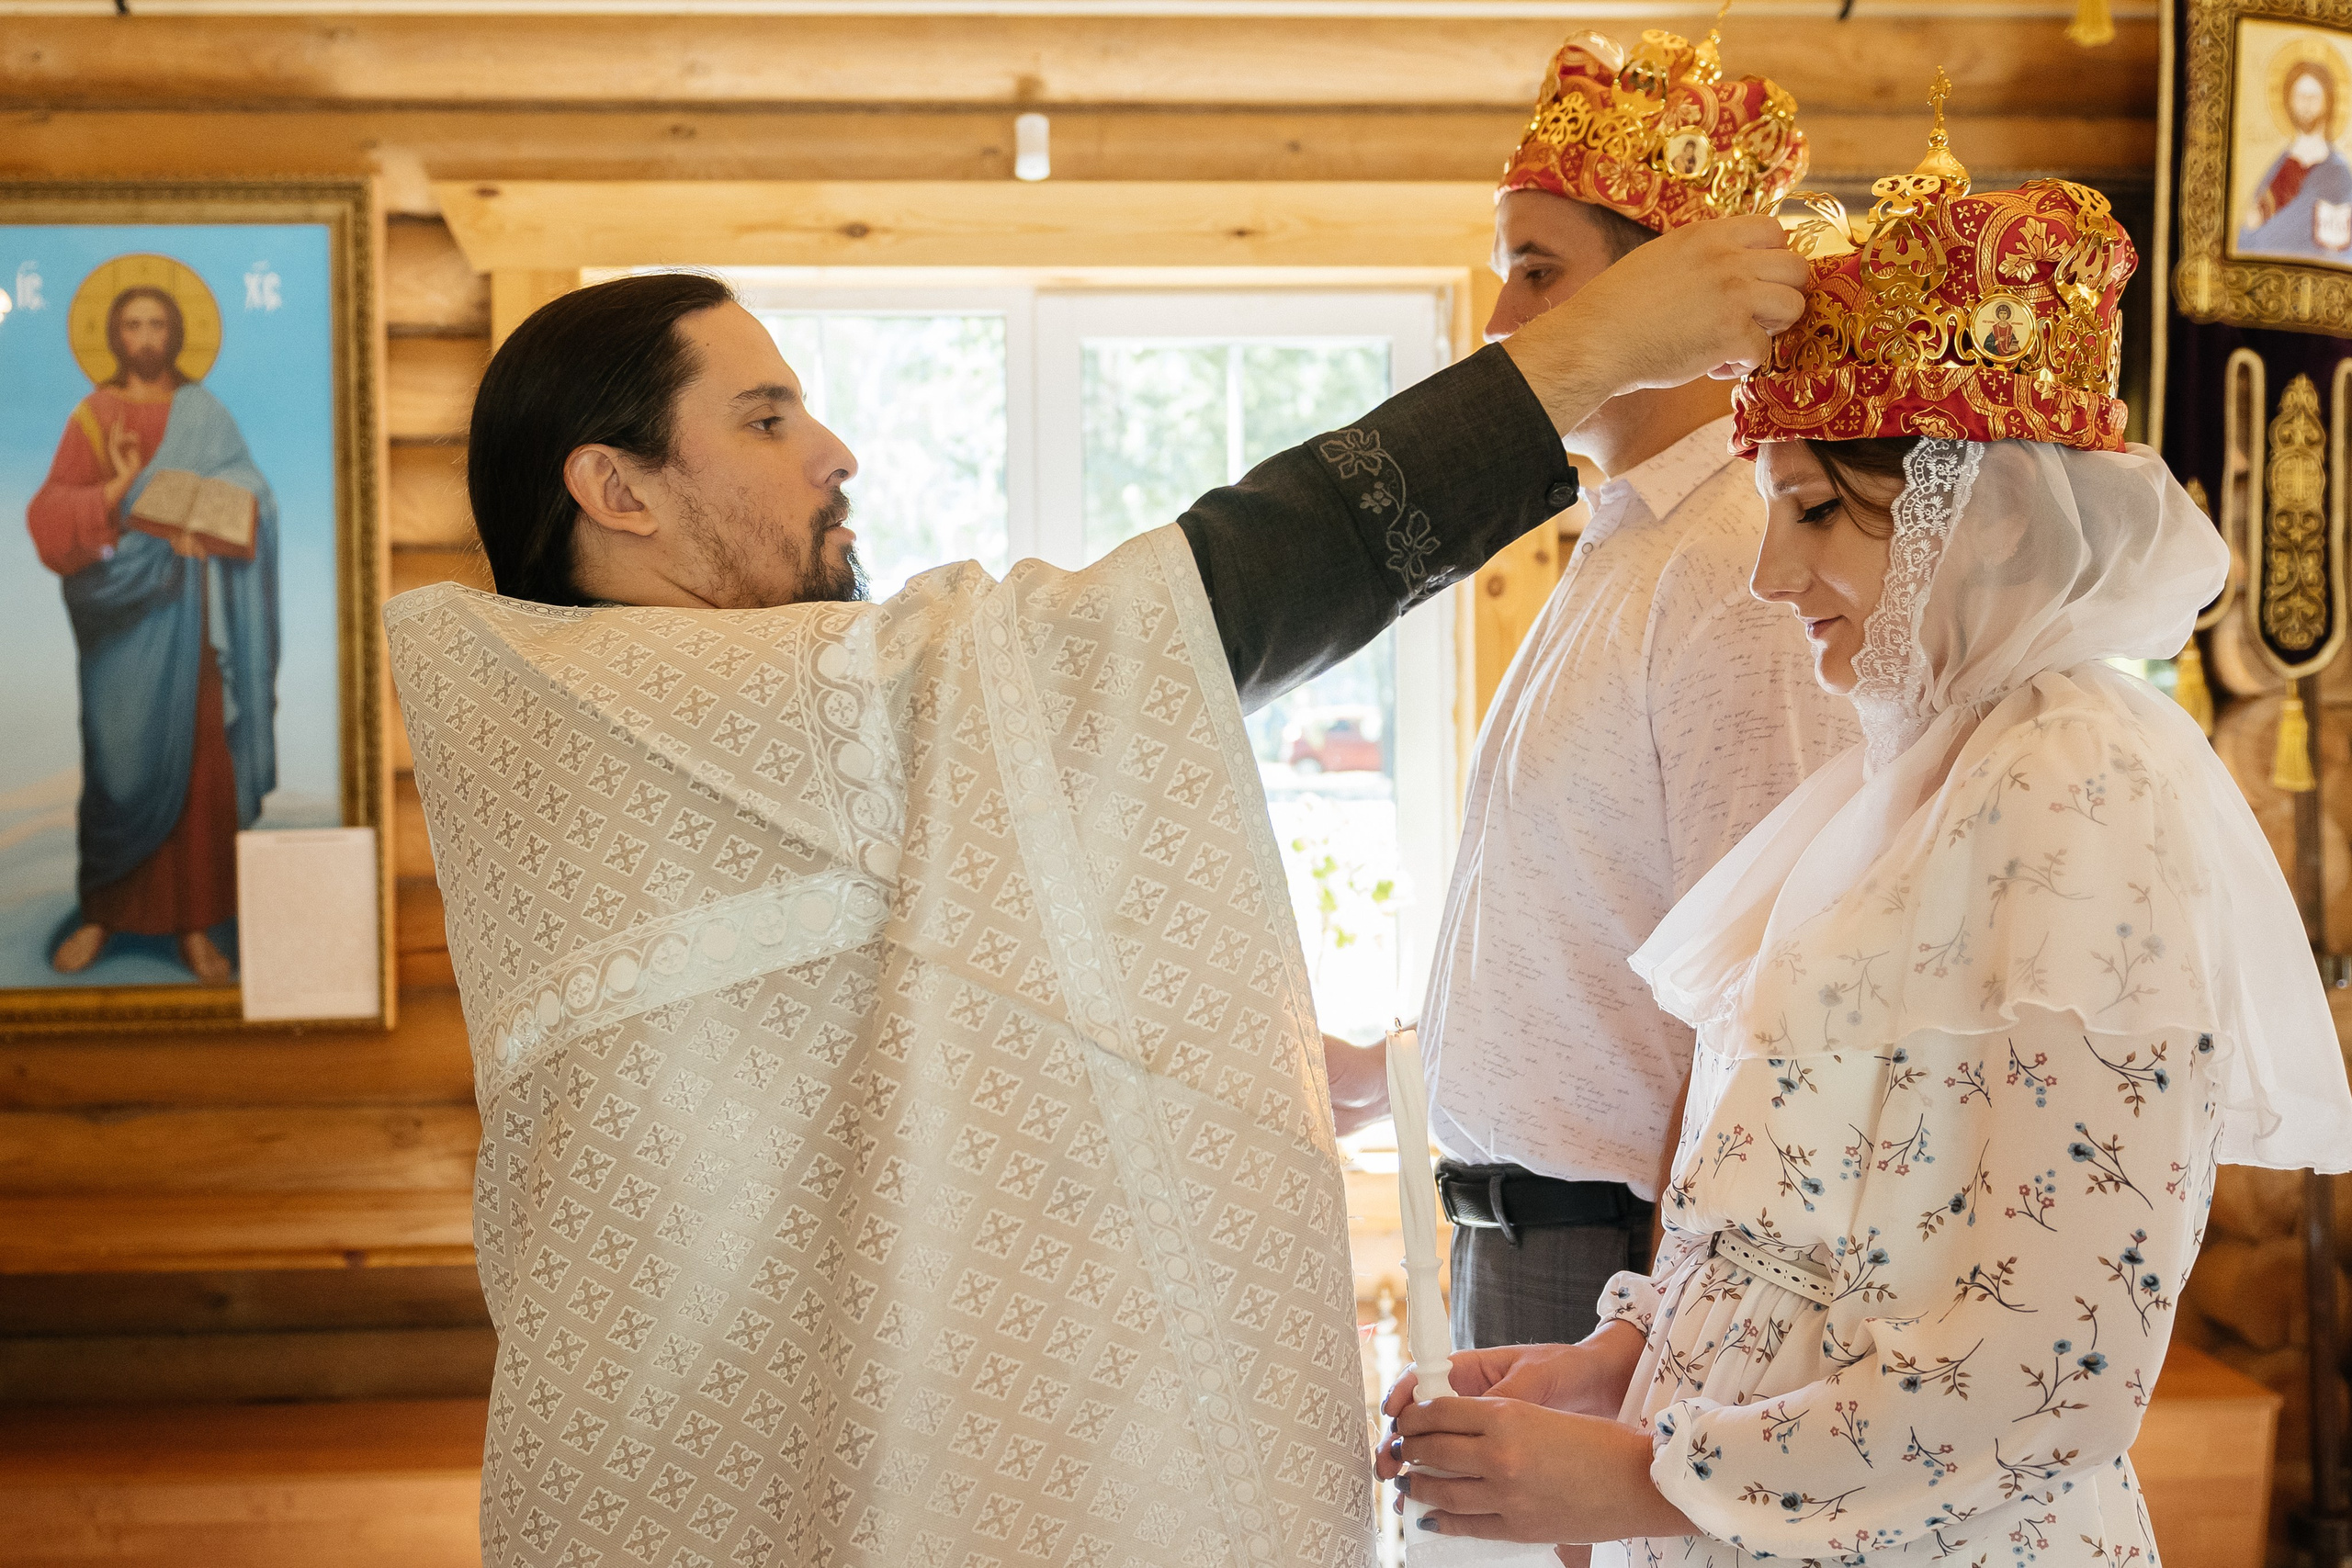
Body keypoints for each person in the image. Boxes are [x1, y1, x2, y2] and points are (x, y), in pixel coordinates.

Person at [389, 219, 1807, 1568]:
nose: (836, 452)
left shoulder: (694, 720)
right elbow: (1175, 620)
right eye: (765, 421)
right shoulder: (613, 706)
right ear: (614, 488)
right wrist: (1590, 348)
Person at [1375, 100, 2352, 1565]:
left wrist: (1648, 1482)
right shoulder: (1916, 771)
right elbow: (1798, 1200)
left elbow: (2053, 1370)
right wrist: (1625, 1366)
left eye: (1820, 511)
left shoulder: (2082, 794)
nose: (1771, 574)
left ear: (1997, 517)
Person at [1320, 24, 1854, 1359]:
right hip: (1527, 1233)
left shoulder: (1739, 554)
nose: (1501, 326)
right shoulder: (1627, 537)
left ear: (1675, 293)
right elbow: (1596, 930)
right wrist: (1388, 1066)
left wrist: (1658, 1333)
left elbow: (1761, 981)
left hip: (1615, 1258)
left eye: (1539, 274)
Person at [27, 265, 279, 987]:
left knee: (199, 763)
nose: (145, 337)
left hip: (190, 615)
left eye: (157, 324)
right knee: (117, 763)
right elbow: (50, 517)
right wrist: (117, 486)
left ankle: (197, 923)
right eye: (132, 324)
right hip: (122, 618)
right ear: (114, 335)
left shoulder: (206, 413)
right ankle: (105, 909)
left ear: (177, 334)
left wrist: (215, 518)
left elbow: (251, 489)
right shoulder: (92, 416)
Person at [2239, 51, 2352, 259]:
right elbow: (2249, 235)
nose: (2306, 104)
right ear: (2288, 101)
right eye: (2300, 96)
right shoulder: (2280, 166)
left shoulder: (2339, 172)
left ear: (2328, 102)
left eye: (2314, 97)